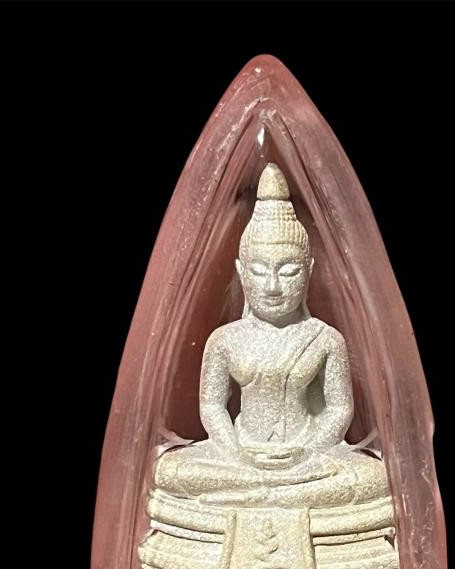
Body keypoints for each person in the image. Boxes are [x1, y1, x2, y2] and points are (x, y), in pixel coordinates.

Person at [154, 163, 388, 508]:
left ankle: (258, 495)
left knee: (374, 478)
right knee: (171, 472)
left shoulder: (325, 339)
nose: (273, 286)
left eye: (289, 271)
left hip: (306, 457)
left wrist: (308, 453)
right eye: (260, 271)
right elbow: (212, 406)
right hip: (239, 457)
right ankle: (268, 492)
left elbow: (339, 409)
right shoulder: (224, 340)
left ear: (308, 270)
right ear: (241, 271)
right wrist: (235, 453)